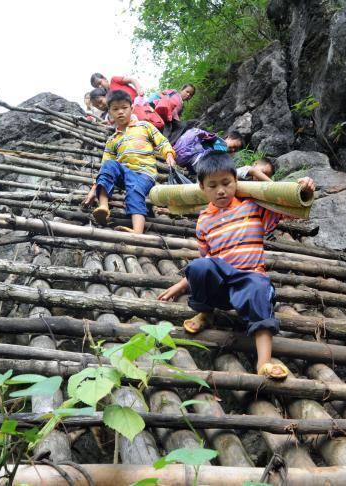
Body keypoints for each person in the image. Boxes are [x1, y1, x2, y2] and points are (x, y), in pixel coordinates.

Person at [157, 152, 315, 380]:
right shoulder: (204, 221)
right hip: (222, 289)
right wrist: (181, 285)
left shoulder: (253, 207)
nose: (220, 190)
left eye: (226, 183)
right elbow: (208, 261)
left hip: (250, 282)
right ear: (202, 188)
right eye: (212, 185)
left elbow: (290, 210)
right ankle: (205, 313)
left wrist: (303, 189)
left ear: (236, 182)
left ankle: (264, 362)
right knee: (200, 266)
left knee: (258, 286)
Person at [82, 90, 176, 233]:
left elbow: (162, 142)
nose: (120, 112)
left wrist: (169, 154)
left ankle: (137, 231)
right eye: (115, 109)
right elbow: (105, 169)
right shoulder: (112, 140)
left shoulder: (144, 126)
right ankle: (103, 206)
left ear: (131, 108)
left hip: (144, 173)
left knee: (134, 190)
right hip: (124, 174)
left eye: (124, 108)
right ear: (110, 113)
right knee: (109, 164)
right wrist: (93, 190)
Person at [173, 128, 244, 173]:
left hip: (180, 156)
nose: (233, 149)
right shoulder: (222, 144)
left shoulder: (213, 140)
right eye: (234, 146)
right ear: (229, 137)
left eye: (236, 149)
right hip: (198, 162)